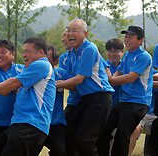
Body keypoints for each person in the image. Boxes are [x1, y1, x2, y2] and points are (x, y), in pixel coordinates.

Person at [0, 37, 56, 156]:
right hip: (18, 125)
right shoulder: (29, 70)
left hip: (32, 126)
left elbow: (14, 82)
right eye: (23, 51)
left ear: (41, 53)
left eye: (28, 51)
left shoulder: (42, 65)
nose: (24, 55)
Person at [56, 19, 114, 156]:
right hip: (85, 99)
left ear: (85, 34)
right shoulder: (72, 54)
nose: (70, 34)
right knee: (69, 134)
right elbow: (69, 80)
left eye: (74, 30)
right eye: (68, 30)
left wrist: (54, 85)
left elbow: (78, 79)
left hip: (99, 98)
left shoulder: (89, 48)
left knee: (85, 139)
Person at [100, 26, 153, 156]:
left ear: (140, 40)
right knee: (104, 130)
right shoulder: (127, 55)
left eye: (130, 37)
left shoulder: (143, 56)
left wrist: (111, 80)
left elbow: (131, 77)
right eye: (126, 37)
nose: (127, 40)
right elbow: (119, 71)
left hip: (138, 103)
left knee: (122, 134)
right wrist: (112, 79)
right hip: (124, 101)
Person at [44, 45, 67, 156]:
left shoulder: (60, 74)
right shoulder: (32, 73)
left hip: (56, 122)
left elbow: (77, 83)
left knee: (60, 151)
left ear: (56, 60)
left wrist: (61, 84)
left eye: (47, 57)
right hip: (38, 122)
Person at [105, 38, 124, 107]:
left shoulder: (126, 66)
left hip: (125, 105)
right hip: (109, 105)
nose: (112, 54)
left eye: (116, 51)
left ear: (122, 52)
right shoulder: (104, 68)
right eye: (109, 51)